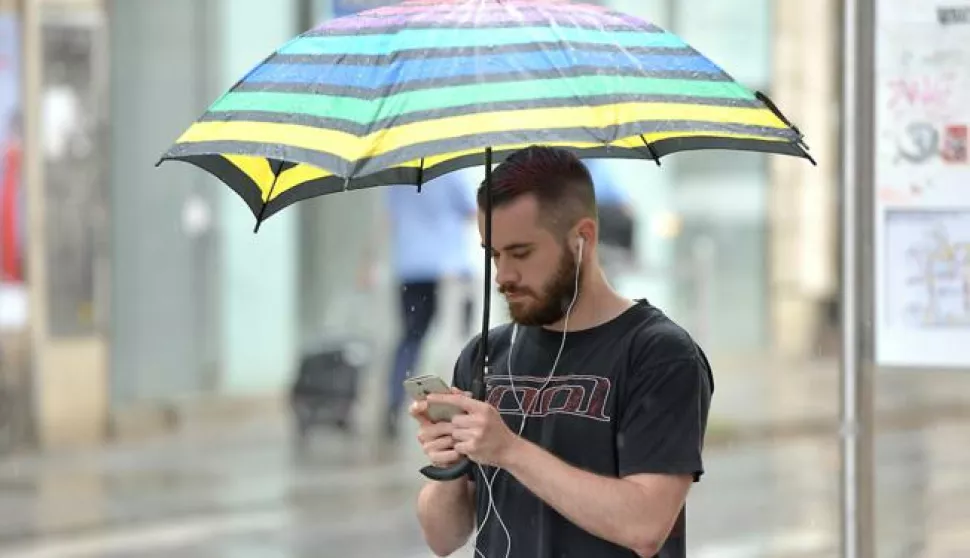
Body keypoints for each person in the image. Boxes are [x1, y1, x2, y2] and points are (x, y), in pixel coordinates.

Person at [410, 146, 713, 558]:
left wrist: (509, 450)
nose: (504, 276)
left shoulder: (659, 354)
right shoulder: (487, 353)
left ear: (582, 239)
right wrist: (450, 464)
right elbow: (443, 538)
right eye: (493, 254)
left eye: (521, 253)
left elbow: (645, 525)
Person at [376, 171, 479, 439]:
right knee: (453, 339)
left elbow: (389, 220)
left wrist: (370, 261)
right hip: (448, 269)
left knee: (410, 339)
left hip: (409, 267)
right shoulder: (452, 173)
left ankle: (393, 404)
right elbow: (472, 212)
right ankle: (454, 407)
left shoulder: (399, 178)